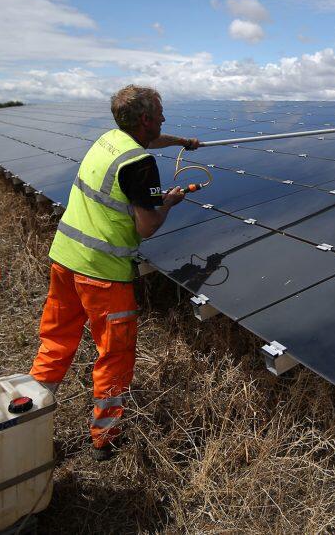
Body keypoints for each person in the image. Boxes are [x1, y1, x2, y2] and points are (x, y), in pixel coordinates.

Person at [29, 85, 198, 460]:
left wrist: (184, 141)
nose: (165, 119)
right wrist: (168, 203)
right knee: (114, 354)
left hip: (65, 259)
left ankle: (27, 415)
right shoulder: (139, 166)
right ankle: (106, 437)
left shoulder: (108, 140)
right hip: (103, 275)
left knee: (56, 340)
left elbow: (149, 142)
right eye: (160, 114)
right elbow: (147, 226)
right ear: (144, 120)